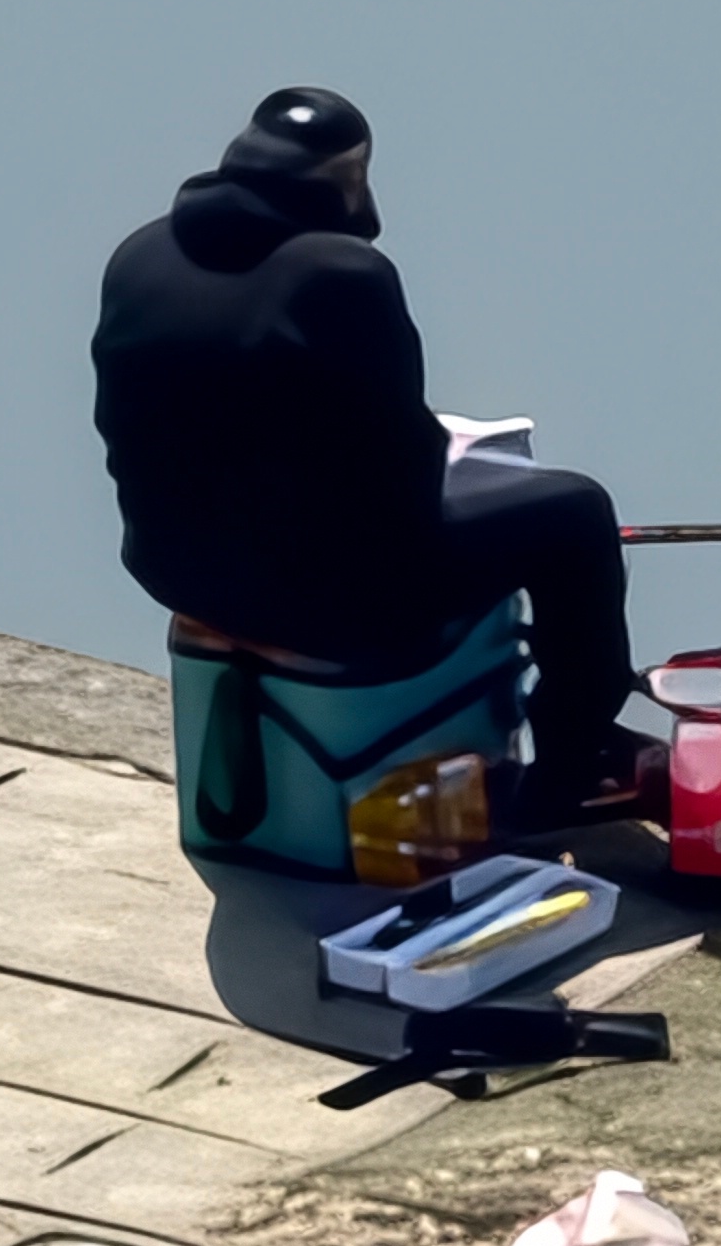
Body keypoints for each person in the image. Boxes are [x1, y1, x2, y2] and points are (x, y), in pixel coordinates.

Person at [91, 86, 657, 825]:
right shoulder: (342, 276)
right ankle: (573, 756)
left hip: (176, 570)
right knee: (577, 512)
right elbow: (406, 484)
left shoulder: (139, 252)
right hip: (334, 603)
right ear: (345, 183)